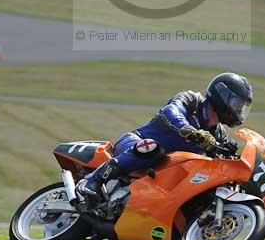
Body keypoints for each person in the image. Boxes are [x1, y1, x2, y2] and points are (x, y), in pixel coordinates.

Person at [76, 72, 253, 207]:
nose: (239, 111)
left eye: (242, 107)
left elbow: (219, 164)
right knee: (153, 149)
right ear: (222, 95)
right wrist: (191, 131)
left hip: (164, 168)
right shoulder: (191, 100)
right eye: (237, 104)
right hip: (137, 142)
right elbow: (171, 111)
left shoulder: (218, 134)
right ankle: (94, 181)